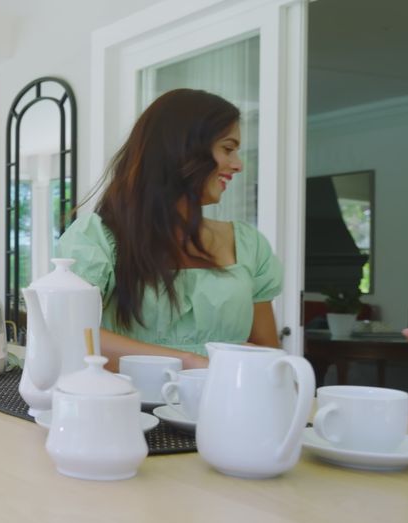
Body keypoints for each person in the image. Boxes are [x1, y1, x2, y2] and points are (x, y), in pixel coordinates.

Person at [58, 89, 283, 371]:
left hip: (226, 407)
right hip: (127, 408)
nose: (238, 164)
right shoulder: (96, 239)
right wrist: (189, 362)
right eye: (227, 148)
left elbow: (266, 354)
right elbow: (70, 335)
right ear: (181, 149)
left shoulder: (249, 245)